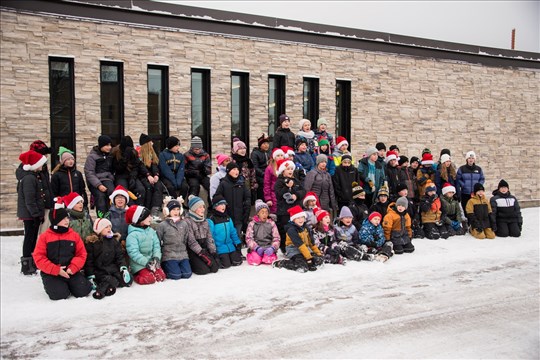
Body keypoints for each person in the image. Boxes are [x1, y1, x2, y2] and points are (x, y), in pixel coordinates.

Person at [33, 206, 92, 300]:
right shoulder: (45, 237)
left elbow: (81, 254)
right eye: (63, 218)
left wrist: (73, 267)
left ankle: (72, 283)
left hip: (70, 270)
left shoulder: (74, 235)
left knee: (84, 291)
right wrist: (55, 270)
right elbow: (39, 257)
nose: (67, 221)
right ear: (55, 220)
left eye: (67, 218)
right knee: (60, 295)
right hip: (52, 272)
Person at [17, 150, 48, 275]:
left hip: (32, 214)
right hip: (30, 215)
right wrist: (35, 214)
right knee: (29, 238)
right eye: (40, 164)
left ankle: (31, 262)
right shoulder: (29, 178)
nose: (42, 166)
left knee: (32, 237)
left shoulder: (33, 176)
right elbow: (30, 199)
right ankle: (27, 265)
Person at [85, 218, 132, 299]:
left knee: (128, 280)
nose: (109, 228)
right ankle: (101, 291)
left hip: (113, 269)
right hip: (99, 270)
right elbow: (89, 261)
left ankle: (109, 286)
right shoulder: (93, 243)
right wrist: (90, 275)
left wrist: (123, 268)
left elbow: (119, 256)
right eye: (106, 227)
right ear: (99, 229)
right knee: (109, 279)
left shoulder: (113, 241)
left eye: (110, 226)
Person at [272, 205, 323, 272]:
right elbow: (300, 244)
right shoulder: (291, 230)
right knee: (302, 266)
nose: (301, 220)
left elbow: (311, 243)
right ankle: (282, 263)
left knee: (318, 260)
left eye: (302, 217)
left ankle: (307, 259)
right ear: (293, 219)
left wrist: (318, 254)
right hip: (294, 250)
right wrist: (309, 259)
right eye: (298, 218)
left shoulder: (306, 227)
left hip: (305, 249)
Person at [125, 205, 166, 284]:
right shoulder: (132, 235)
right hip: (138, 264)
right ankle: (135, 276)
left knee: (161, 277)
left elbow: (156, 246)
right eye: (148, 216)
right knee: (149, 279)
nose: (151, 218)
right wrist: (146, 262)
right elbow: (133, 253)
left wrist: (156, 257)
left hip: (151, 262)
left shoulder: (151, 231)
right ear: (140, 220)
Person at [156, 198, 195, 280]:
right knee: (175, 275)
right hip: (169, 255)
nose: (176, 212)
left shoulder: (184, 223)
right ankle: (166, 266)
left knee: (187, 274)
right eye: (173, 210)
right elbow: (158, 241)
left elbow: (186, 239)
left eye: (178, 209)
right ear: (167, 211)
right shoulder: (162, 225)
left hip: (182, 254)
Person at [274, 158, 306, 253]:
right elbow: (278, 194)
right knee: (285, 230)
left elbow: (303, 191)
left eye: (292, 169)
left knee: (296, 229)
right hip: (284, 211)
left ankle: (297, 246)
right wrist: (287, 187)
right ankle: (284, 248)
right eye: (288, 169)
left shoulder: (295, 180)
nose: (290, 171)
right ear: (283, 171)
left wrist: (296, 195)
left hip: (295, 211)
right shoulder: (279, 182)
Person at [184, 195, 220, 275]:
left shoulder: (205, 221)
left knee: (215, 268)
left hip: (204, 248)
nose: (203, 209)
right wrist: (201, 253)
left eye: (203, 207)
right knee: (204, 270)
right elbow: (191, 241)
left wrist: (213, 252)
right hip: (194, 250)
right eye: (199, 207)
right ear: (193, 208)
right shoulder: (187, 221)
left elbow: (209, 238)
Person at [214, 162, 251, 237]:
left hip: (239, 218)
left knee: (237, 238)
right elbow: (217, 197)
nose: (236, 171)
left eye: (237, 169)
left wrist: (245, 212)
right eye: (234, 169)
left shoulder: (242, 183)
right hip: (227, 217)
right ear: (228, 170)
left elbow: (248, 198)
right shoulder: (223, 183)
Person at [111, 135, 148, 207]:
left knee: (141, 190)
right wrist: (125, 157)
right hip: (120, 176)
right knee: (124, 191)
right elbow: (118, 168)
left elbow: (136, 166)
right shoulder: (116, 153)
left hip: (132, 175)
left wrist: (133, 178)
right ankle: (132, 208)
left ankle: (139, 207)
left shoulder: (133, 152)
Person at [207, 195, 243, 268]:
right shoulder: (211, 219)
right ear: (215, 206)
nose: (223, 206)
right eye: (220, 204)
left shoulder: (228, 218)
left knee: (237, 261)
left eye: (224, 204)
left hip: (230, 245)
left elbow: (232, 231)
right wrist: (213, 250)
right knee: (226, 264)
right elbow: (211, 235)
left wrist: (237, 243)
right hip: (220, 247)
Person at [84, 135, 115, 217]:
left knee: (113, 194)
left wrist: (112, 177)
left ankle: (113, 217)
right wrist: (99, 185)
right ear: (101, 145)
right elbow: (89, 172)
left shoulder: (110, 156)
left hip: (108, 180)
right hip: (96, 182)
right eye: (107, 145)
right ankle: (102, 220)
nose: (109, 147)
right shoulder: (92, 156)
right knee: (100, 197)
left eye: (110, 145)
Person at [28, 140, 54, 234]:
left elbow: (47, 186)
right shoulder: (30, 170)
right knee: (33, 234)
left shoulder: (44, 167)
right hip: (37, 207)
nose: (46, 157)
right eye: (44, 154)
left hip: (46, 204)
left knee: (45, 232)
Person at [245, 200, 280, 266]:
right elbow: (248, 238)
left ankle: (269, 255)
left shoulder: (271, 223)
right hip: (257, 247)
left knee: (268, 260)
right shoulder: (252, 224)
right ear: (258, 213)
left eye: (266, 212)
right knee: (256, 260)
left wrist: (273, 248)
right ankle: (251, 254)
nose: (265, 214)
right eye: (262, 212)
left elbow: (276, 238)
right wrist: (256, 247)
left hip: (268, 247)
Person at [138, 133, 164, 217]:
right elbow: (141, 167)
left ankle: (155, 210)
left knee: (158, 186)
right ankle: (146, 210)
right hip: (143, 176)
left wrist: (156, 175)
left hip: (152, 176)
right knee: (148, 187)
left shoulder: (153, 153)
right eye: (150, 142)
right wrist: (148, 175)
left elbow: (155, 165)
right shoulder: (139, 154)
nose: (152, 143)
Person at [158, 136, 189, 200]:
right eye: (176, 146)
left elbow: (181, 169)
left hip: (178, 176)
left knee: (185, 187)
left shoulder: (180, 156)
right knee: (170, 187)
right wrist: (174, 181)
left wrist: (178, 181)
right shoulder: (162, 155)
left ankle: (180, 203)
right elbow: (165, 169)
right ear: (170, 146)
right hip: (166, 177)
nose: (178, 147)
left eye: (178, 145)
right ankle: (174, 203)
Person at [263, 147, 285, 215]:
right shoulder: (269, 168)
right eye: (278, 156)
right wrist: (268, 198)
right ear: (274, 157)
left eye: (281, 155)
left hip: (283, 194)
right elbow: (267, 184)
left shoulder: (285, 167)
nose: (280, 157)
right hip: (273, 194)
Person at [251, 134, 270, 201]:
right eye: (264, 143)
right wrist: (264, 174)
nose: (266, 145)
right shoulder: (255, 153)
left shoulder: (268, 153)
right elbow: (255, 167)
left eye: (267, 143)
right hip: (260, 176)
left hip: (268, 174)